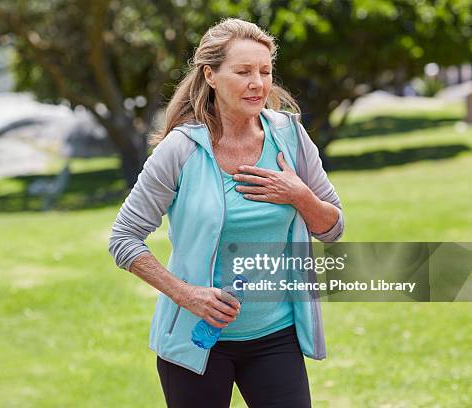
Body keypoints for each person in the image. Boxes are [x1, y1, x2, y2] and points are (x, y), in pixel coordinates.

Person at [109, 17, 344, 407]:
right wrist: (187, 295)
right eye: (243, 71)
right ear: (211, 75)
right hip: (196, 342)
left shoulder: (291, 137)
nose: (258, 83)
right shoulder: (180, 150)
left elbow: (332, 229)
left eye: (265, 71)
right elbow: (123, 239)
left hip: (275, 337)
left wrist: (299, 195)